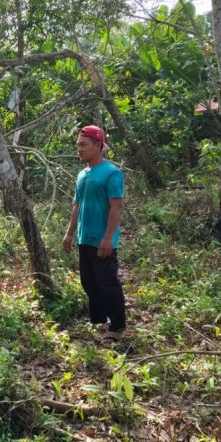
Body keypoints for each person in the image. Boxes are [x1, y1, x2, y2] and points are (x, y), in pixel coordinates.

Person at [62, 125, 127, 341]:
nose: (79, 149)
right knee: (89, 282)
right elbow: (77, 205)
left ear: (98, 146)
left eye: (83, 145)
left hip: (102, 239)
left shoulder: (112, 173)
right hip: (84, 237)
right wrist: (69, 233)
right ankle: (99, 321)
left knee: (107, 282)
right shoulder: (82, 174)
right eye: (78, 145)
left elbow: (116, 206)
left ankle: (117, 326)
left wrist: (108, 237)